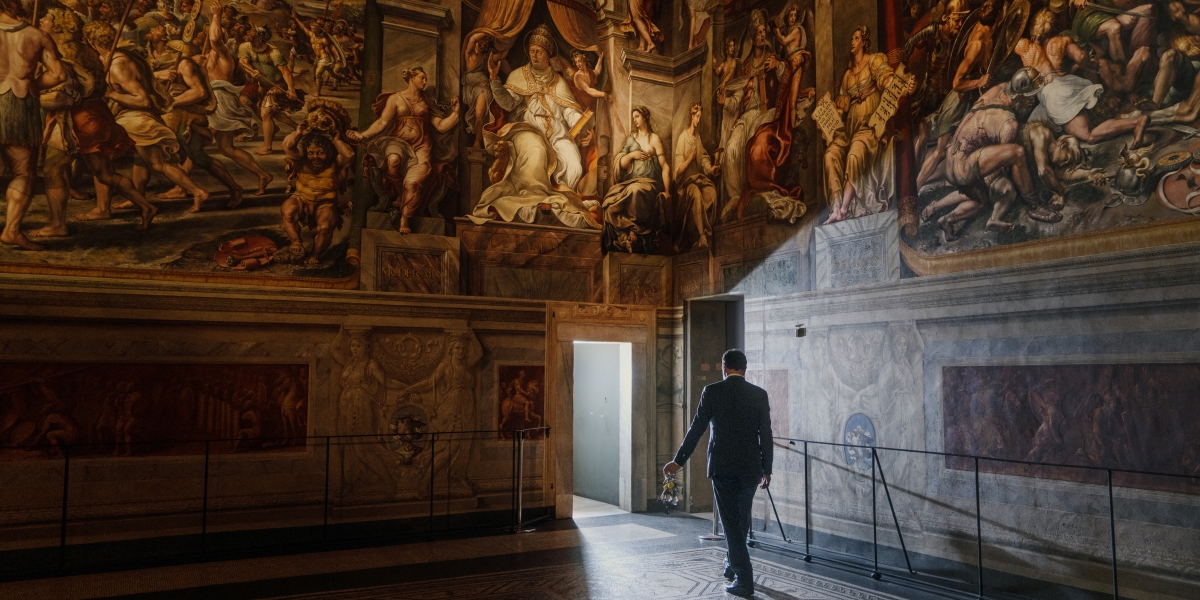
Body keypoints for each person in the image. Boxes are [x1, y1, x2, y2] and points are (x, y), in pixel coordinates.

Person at [663, 349, 772, 599]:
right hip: (750, 468)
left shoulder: (712, 392)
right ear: (745, 368)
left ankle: (744, 580)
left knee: (732, 523)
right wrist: (767, 468)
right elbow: (765, 434)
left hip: (723, 468)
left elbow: (696, 429)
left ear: (724, 367)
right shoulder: (759, 394)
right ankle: (730, 565)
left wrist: (678, 462)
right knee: (741, 519)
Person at [84, 21, 210, 212]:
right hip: (133, 119)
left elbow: (143, 100)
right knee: (149, 163)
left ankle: (103, 209)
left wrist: (111, 94)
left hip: (136, 120)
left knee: (103, 161)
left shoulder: (117, 65)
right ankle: (134, 199)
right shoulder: (119, 57)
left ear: (92, 42)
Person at [349, 66, 460, 234]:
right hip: (397, 141)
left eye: (425, 78)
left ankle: (405, 218)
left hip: (422, 146)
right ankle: (400, 193)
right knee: (393, 160)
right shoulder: (396, 99)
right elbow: (382, 123)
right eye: (421, 77)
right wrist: (362, 135)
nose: (425, 81)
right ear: (411, 78)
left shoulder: (427, 101)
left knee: (413, 183)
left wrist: (455, 114)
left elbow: (440, 126)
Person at [0, 0, 68, 251]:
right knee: (22, 172)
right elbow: (59, 74)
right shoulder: (36, 35)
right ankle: (11, 231)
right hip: (19, 104)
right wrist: (33, 84)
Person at [601, 105, 669, 254]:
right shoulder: (632, 139)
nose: (635, 120)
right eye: (633, 118)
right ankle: (623, 236)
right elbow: (623, 163)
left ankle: (634, 231)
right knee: (610, 199)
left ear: (645, 117)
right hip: (631, 181)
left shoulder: (654, 139)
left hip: (650, 184)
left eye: (637, 117)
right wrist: (632, 155)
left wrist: (667, 191)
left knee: (636, 190)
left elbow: (664, 166)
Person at [672, 102, 718, 252]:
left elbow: (703, 157)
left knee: (711, 192)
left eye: (700, 117)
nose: (698, 120)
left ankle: (703, 229)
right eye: (697, 116)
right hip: (685, 185)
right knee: (696, 194)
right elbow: (678, 170)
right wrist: (690, 159)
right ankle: (700, 236)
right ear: (691, 116)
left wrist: (709, 169)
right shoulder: (682, 138)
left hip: (698, 179)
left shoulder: (697, 138)